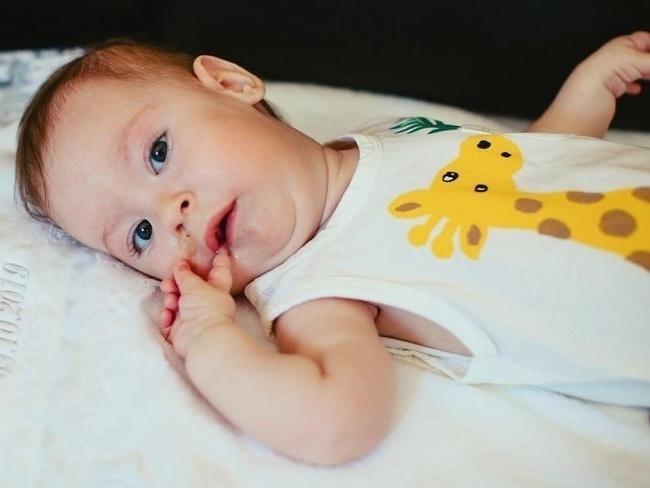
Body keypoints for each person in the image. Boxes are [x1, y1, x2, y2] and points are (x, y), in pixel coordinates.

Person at [14, 31, 650, 465]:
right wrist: (208, 338)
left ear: (231, 83)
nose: (169, 212)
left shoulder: (391, 135)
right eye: (140, 236)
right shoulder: (318, 287)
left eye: (158, 153)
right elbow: (336, 420)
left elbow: (516, 171)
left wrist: (585, 96)